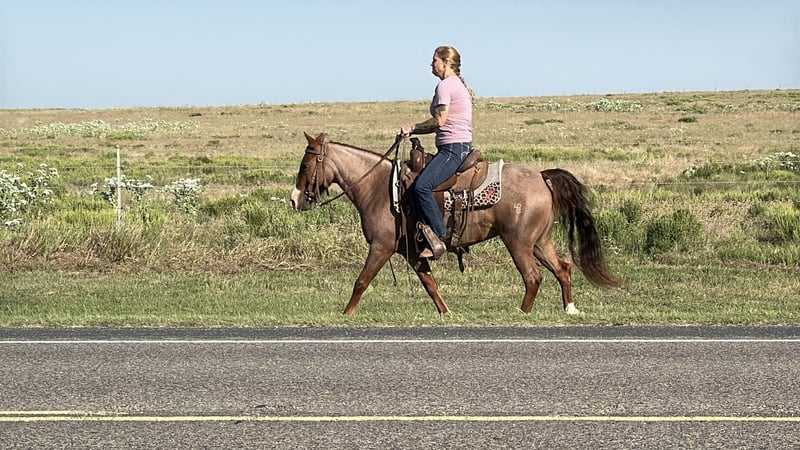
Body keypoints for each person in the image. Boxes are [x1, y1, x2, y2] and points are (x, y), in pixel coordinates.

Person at [401, 45, 475, 259]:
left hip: (453, 149)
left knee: (422, 186)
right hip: (457, 146)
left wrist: (412, 128)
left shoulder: (445, 86)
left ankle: (439, 237)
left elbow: (440, 121)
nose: (431, 64)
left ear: (445, 62)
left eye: (434, 60)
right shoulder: (456, 84)